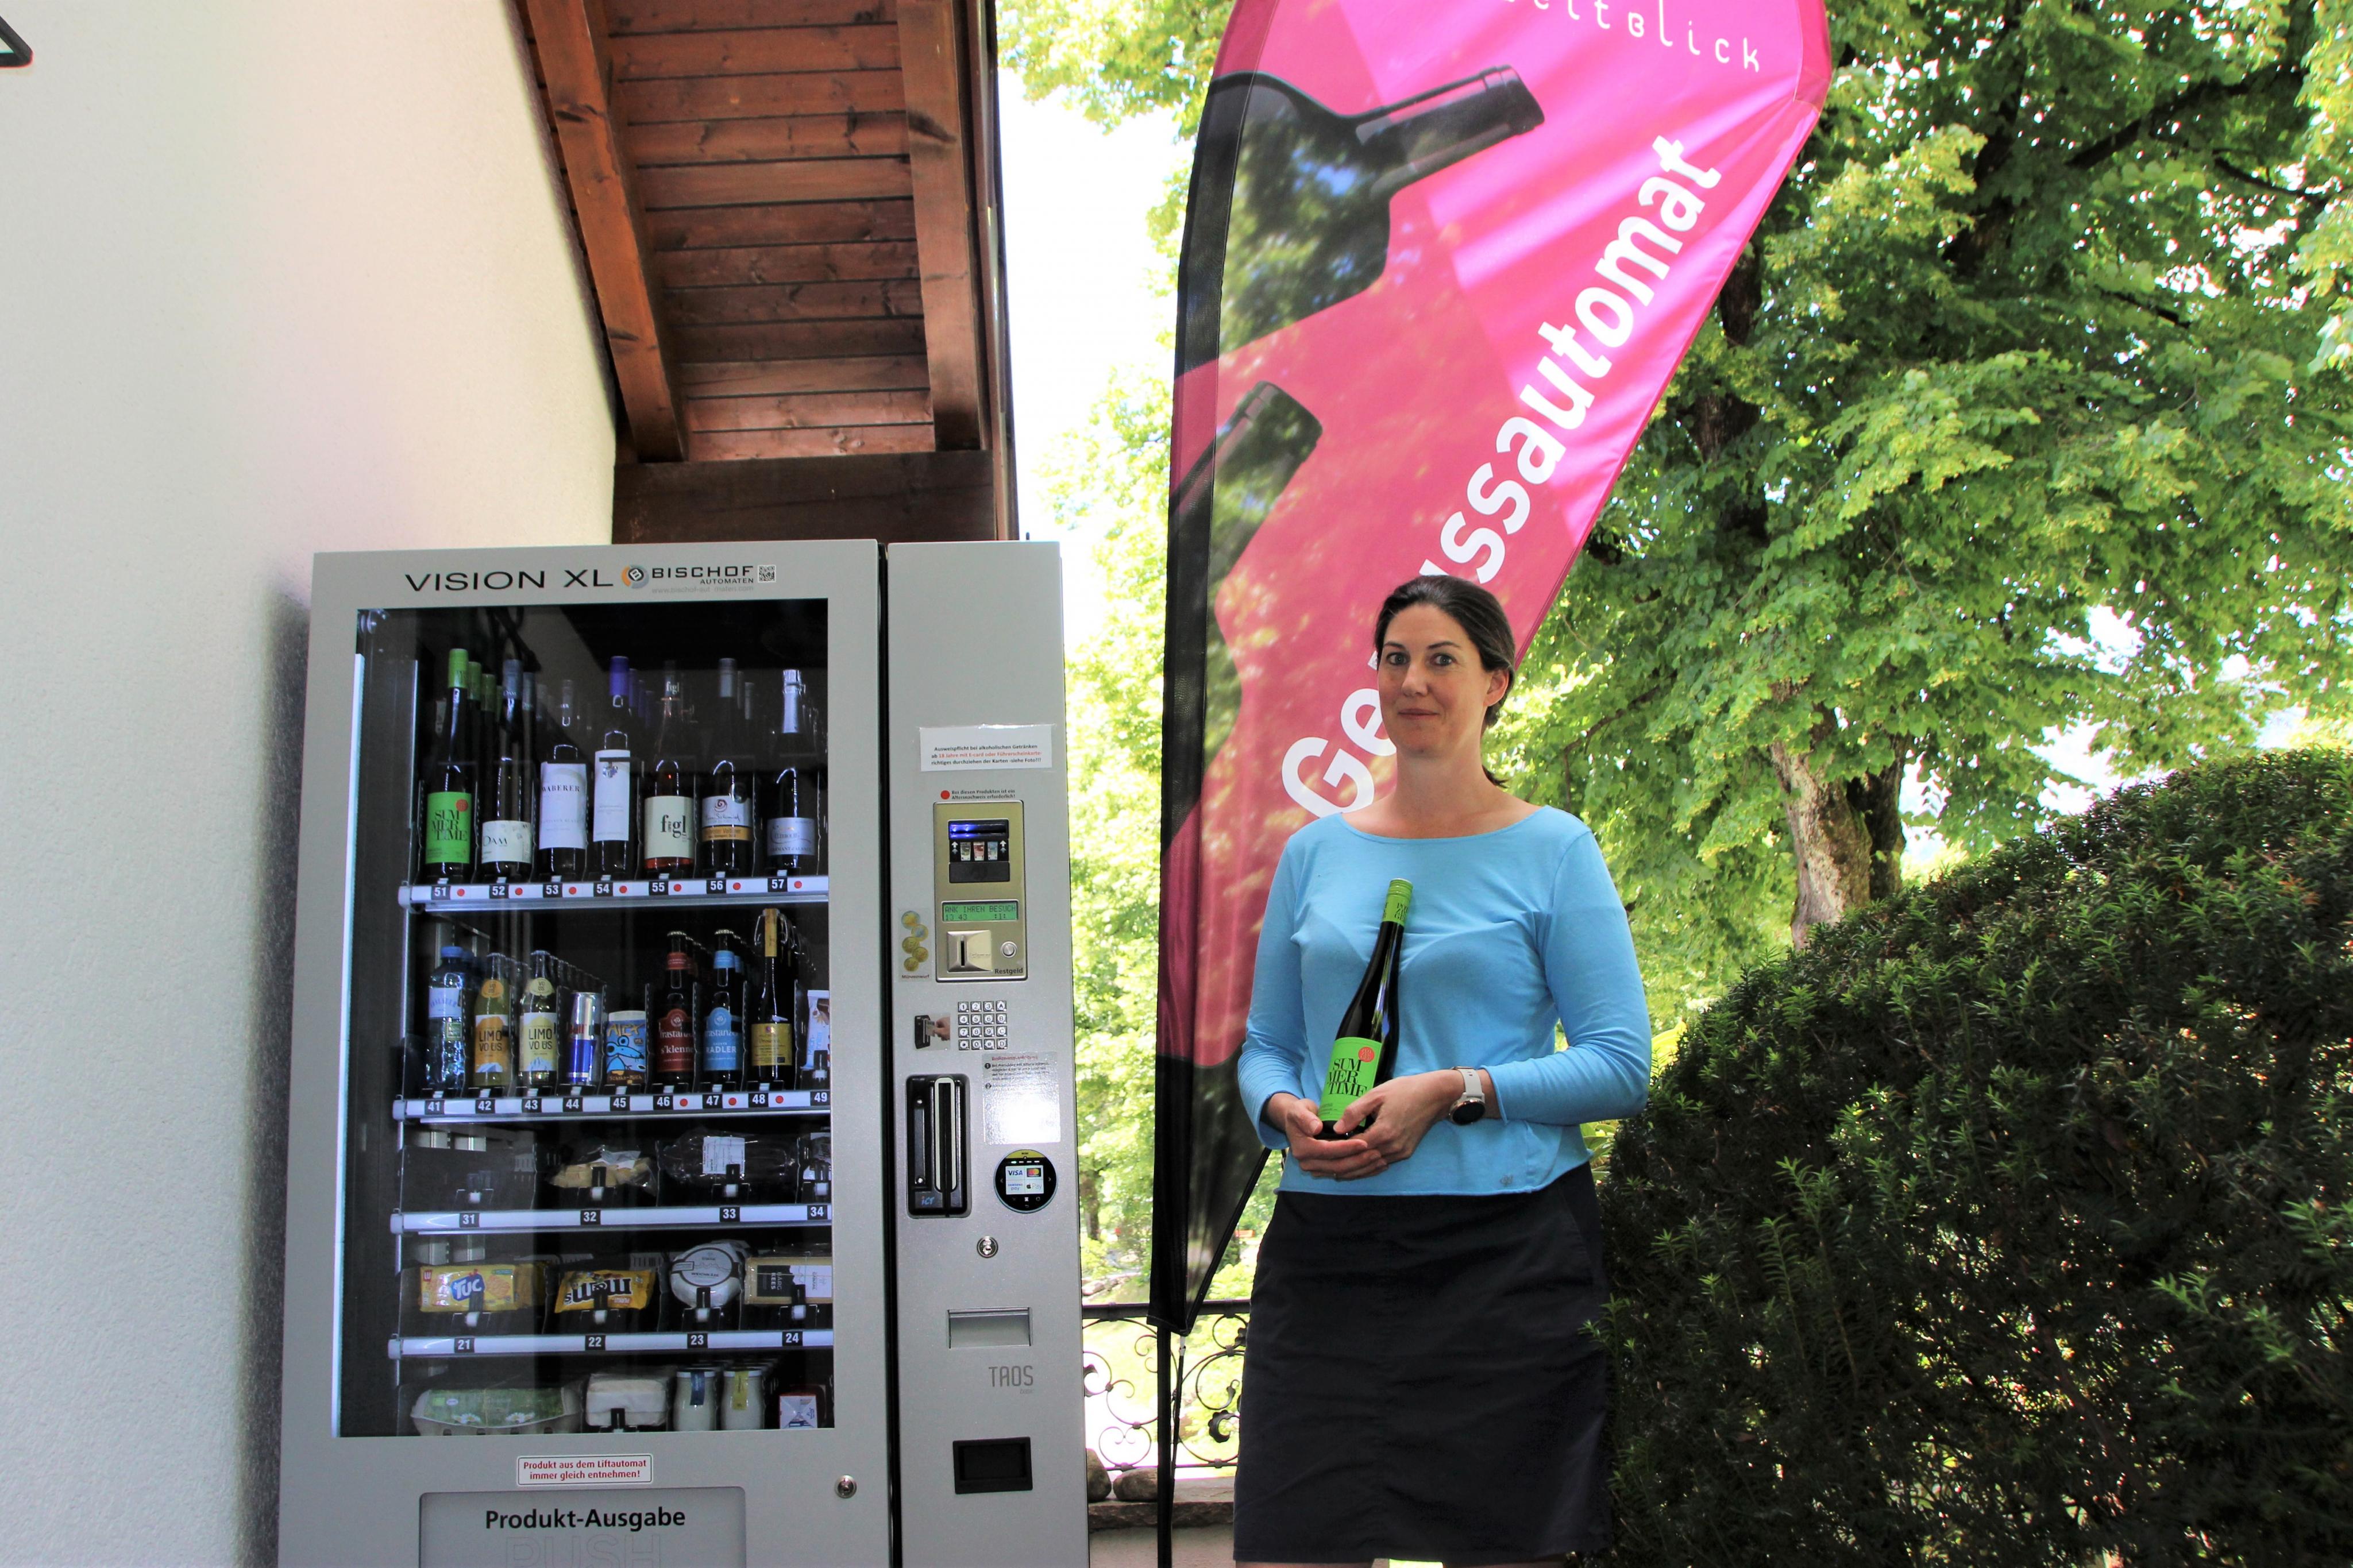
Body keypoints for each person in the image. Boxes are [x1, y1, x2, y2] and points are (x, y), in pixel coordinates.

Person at [1230, 574, 1652, 1567]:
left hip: (1508, 1265)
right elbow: (1266, 1047)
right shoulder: (1313, 853)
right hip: (1329, 1261)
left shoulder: (1555, 849)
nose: (1412, 680)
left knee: (1513, 1546)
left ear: (1496, 682)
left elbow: (1621, 1065)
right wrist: (1281, 1110)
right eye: (1395, 658)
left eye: (1442, 659)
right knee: (1292, 1543)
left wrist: (1458, 1089)